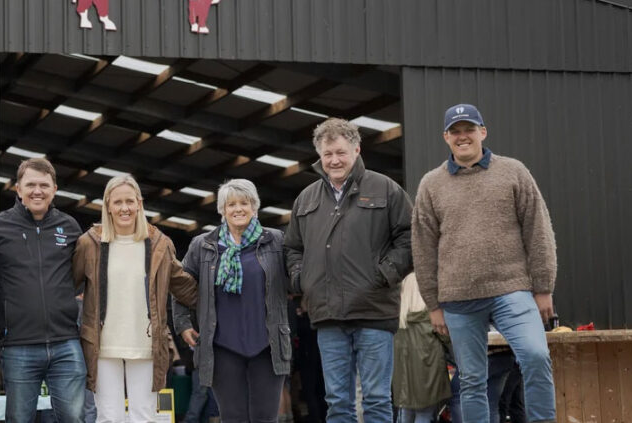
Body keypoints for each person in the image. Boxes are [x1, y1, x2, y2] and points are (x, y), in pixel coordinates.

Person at [412, 103, 557, 423]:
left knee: (535, 356)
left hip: (512, 290)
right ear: (446, 137)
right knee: (472, 379)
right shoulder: (431, 184)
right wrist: (433, 305)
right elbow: (422, 249)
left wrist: (543, 287)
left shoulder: (513, 171)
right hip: (458, 299)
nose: (463, 136)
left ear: (483, 132)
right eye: (455, 131)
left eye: (469, 129)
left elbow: (538, 230)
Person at [283, 118, 413, 423]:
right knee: (337, 401)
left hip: (374, 312)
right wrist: (302, 278)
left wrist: (385, 274)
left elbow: (410, 237)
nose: (334, 160)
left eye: (340, 152)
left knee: (377, 399)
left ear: (356, 149)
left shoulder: (386, 189)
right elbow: (292, 248)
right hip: (328, 316)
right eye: (327, 154)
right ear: (320, 156)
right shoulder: (307, 199)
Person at [73, 175, 198, 422]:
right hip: (102, 346)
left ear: (140, 203)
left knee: (144, 416)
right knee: (109, 417)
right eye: (117, 202)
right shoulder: (89, 243)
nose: (124, 208)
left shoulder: (160, 243)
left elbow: (185, 287)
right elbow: (65, 286)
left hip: (147, 346)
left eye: (130, 201)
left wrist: (222, 299)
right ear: (107, 205)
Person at [173, 179, 291, 423]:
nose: (238, 209)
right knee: (233, 417)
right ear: (222, 210)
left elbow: (299, 272)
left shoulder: (276, 241)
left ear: (254, 207)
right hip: (222, 346)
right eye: (231, 204)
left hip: (267, 346)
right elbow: (181, 285)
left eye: (244, 203)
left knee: (265, 418)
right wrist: (183, 323)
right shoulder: (202, 245)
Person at [0, 157, 85, 422]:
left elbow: (86, 273)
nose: (37, 191)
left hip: (66, 342)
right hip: (18, 345)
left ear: (54, 189)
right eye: (30, 185)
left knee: (73, 417)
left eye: (44, 185)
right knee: (19, 418)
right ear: (18, 189)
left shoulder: (70, 228)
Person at [391, 273, 450, 423]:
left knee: (406, 410)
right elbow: (446, 338)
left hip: (402, 373)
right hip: (429, 370)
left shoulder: (398, 318)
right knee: (425, 412)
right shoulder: (432, 317)